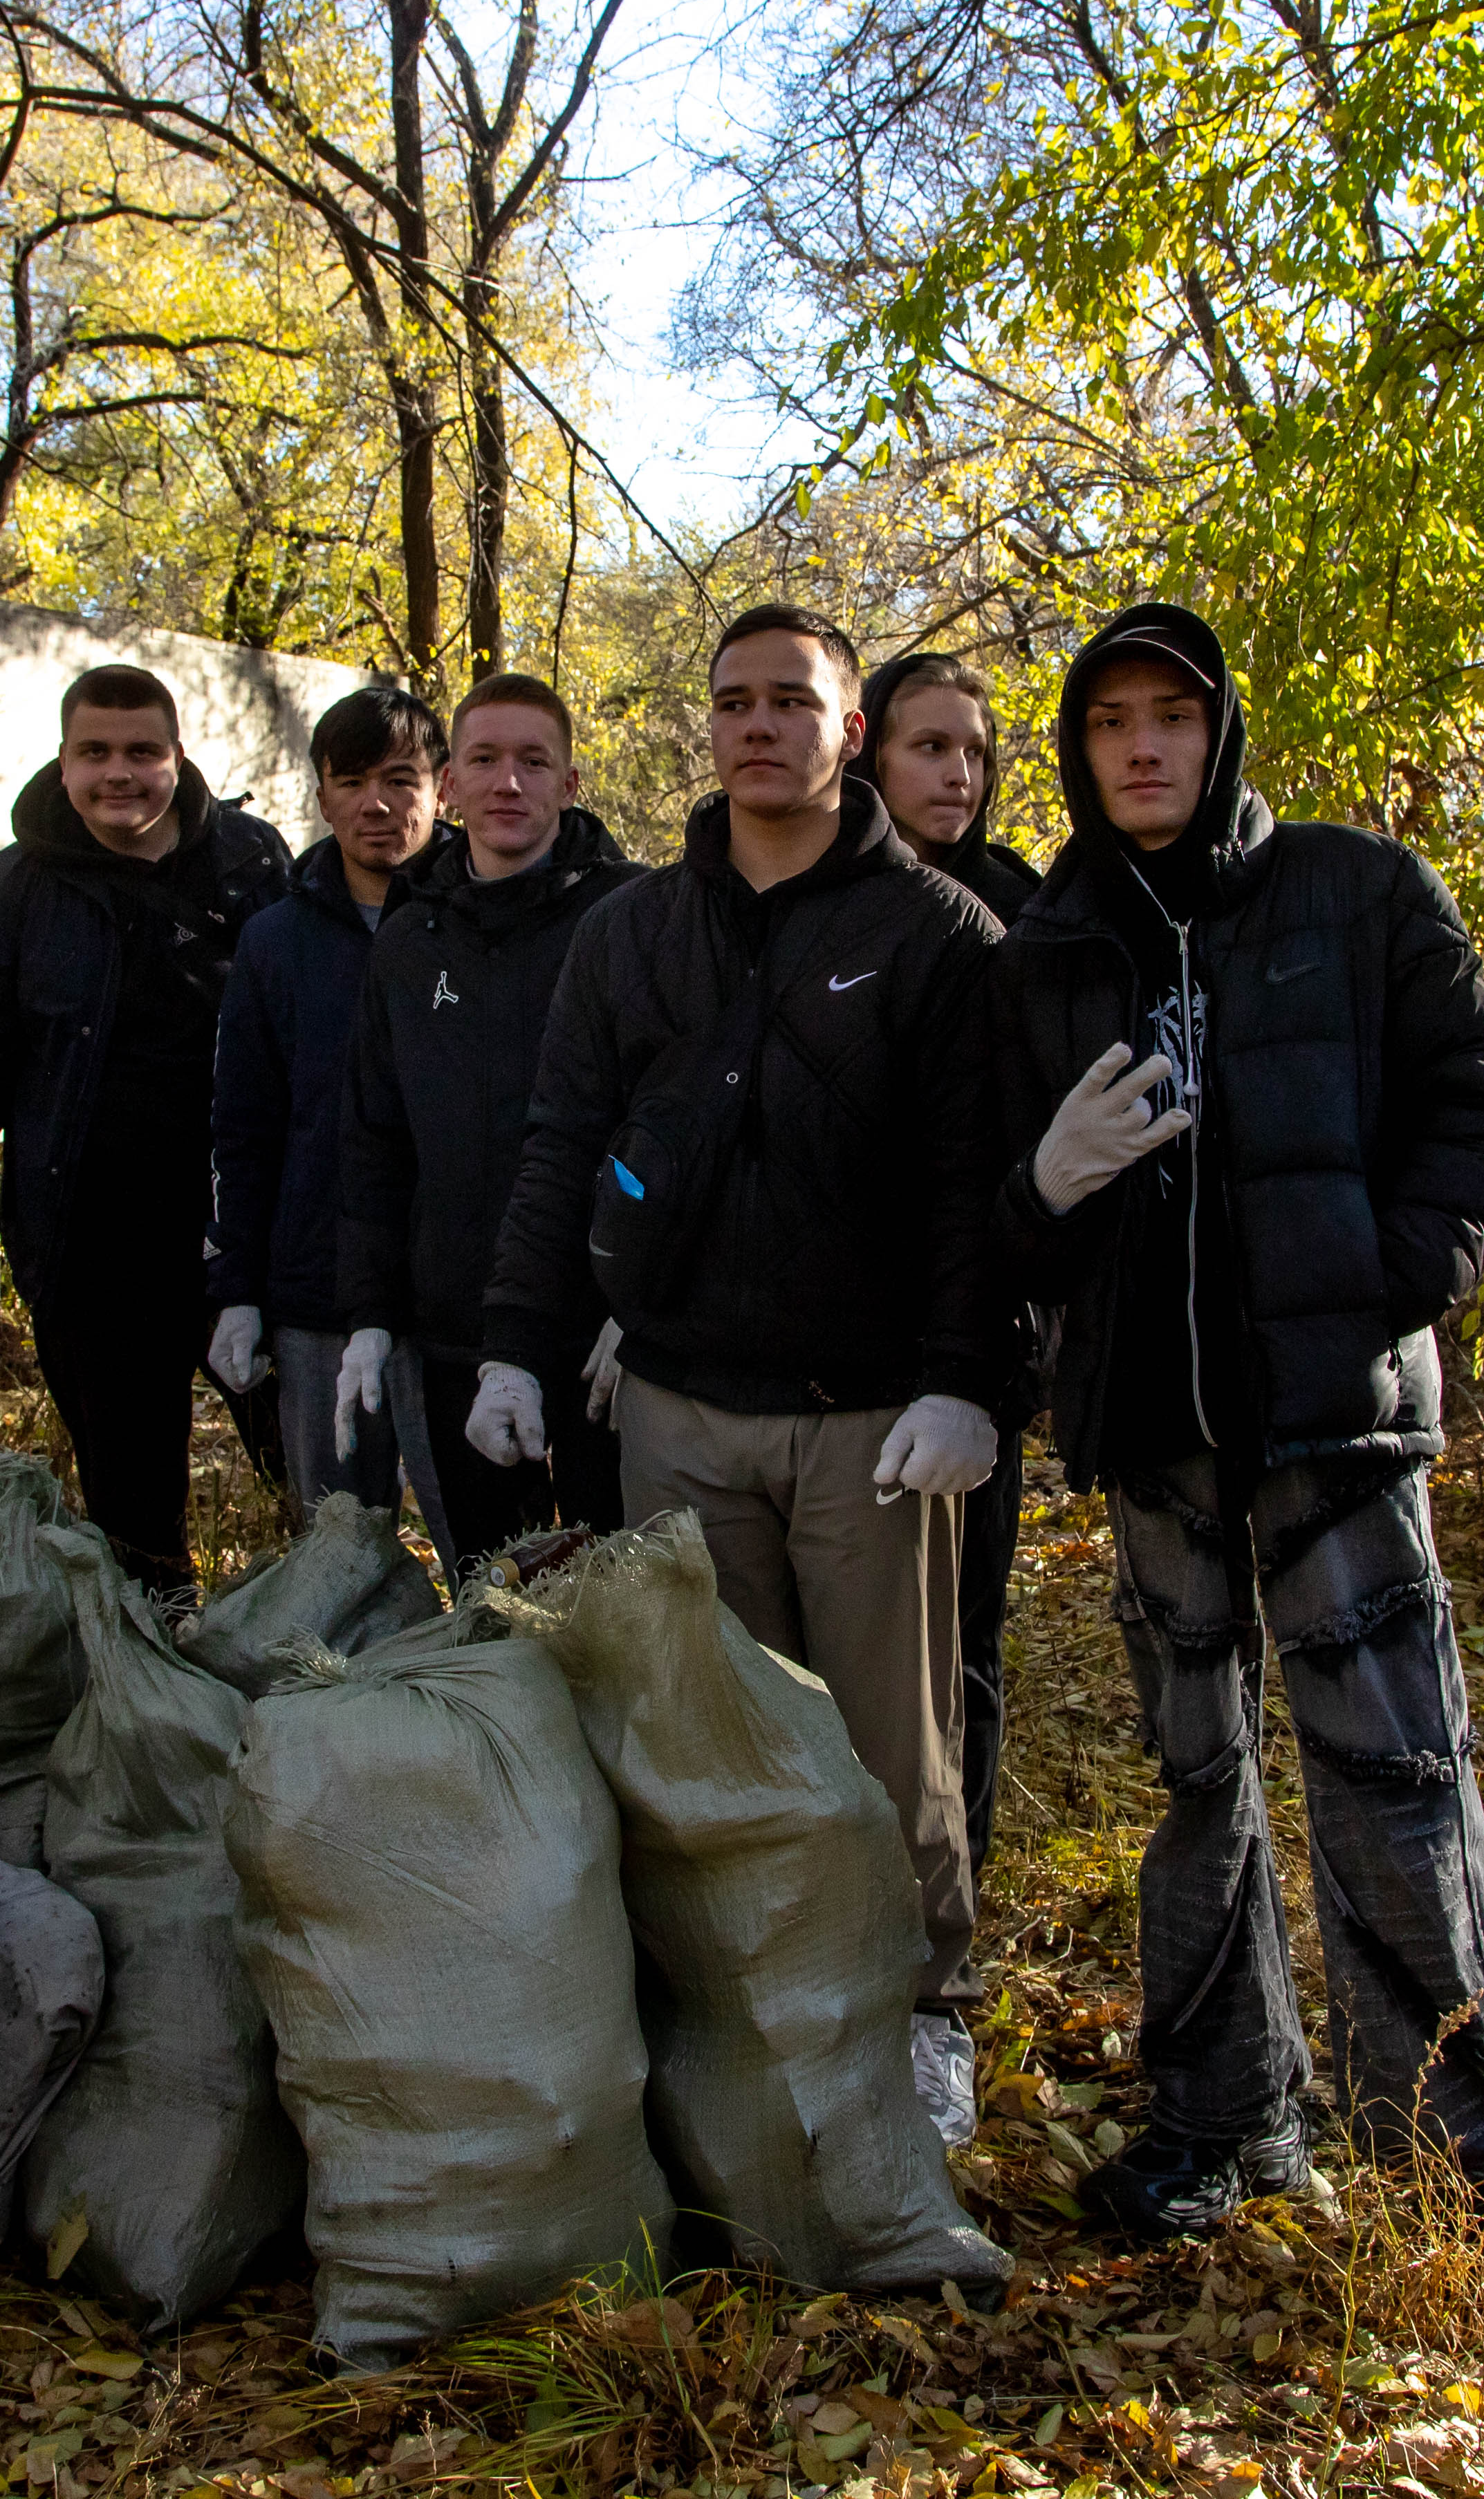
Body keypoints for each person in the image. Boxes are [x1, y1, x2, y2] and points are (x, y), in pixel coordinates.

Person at [988, 602, 1484, 2308]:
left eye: (1167, 714)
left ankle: (1470, 2193)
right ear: (1077, 747)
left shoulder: (1353, 891)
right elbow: (989, 1221)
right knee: (1196, 1790)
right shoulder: (1043, 947)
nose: (1138, 746)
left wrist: (1373, 1286)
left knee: (1395, 1789)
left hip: (1332, 1431)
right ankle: (1222, 2119)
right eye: (1106, 719)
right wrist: (1044, 1179)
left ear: (1217, 727)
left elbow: (1482, 1115)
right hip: (1154, 1446)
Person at [476, 604, 1011, 2141]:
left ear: (852, 730)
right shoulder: (633, 933)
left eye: (794, 701)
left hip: (870, 1423)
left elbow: (975, 1183)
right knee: (720, 1742)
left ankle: (923, 2013)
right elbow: (561, 1148)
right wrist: (519, 1340)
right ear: (705, 730)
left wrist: (964, 1378)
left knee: (890, 1745)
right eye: (734, 703)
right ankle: (755, 2017)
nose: (760, 725)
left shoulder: (935, 935)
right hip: (680, 1409)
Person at [0, 665, 290, 1594]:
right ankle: (162, 1691)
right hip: (89, 1252)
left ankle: (331, 1681)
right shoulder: (17, 887)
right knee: (136, 1520)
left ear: (177, 757)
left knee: (319, 1479)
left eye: (140, 752)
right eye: (96, 753)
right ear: (65, 759)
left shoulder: (252, 866)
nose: (119, 774)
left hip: (246, 1240)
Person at [334, 672, 643, 1562]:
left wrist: (649, 1299)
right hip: (457, 1332)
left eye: (534, 761)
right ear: (450, 786)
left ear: (570, 783)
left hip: (602, 1343)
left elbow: (677, 1122)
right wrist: (368, 1311)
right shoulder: (407, 941)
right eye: (485, 761)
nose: (509, 782)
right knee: (493, 1596)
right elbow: (375, 1139)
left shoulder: (635, 918)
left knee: (620, 1599)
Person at [849, 650, 1046, 1884]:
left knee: (965, 1622)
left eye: (975, 751)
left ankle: (951, 1878)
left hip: (979, 1321)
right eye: (930, 746)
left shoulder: (1027, 909)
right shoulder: (819, 894)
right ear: (870, 750)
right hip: (829, 1329)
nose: (958, 773)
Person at [208, 687, 452, 1528]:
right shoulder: (275, 940)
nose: (376, 804)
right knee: (337, 1555)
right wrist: (237, 1285)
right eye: (351, 781)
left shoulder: (482, 920)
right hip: (316, 1295)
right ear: (321, 797)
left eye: (400, 778)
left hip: (457, 1303)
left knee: (495, 1560)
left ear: (442, 786)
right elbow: (243, 1128)